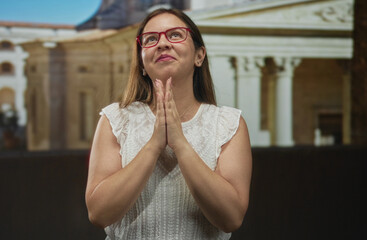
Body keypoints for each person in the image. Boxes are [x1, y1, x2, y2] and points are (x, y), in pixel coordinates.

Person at [85, 8, 252, 239]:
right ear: (142, 63)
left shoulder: (228, 124)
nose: (162, 44)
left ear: (199, 56)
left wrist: (180, 144)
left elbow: (231, 218)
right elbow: (98, 214)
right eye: (151, 39)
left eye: (175, 35)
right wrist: (154, 145)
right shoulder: (116, 119)